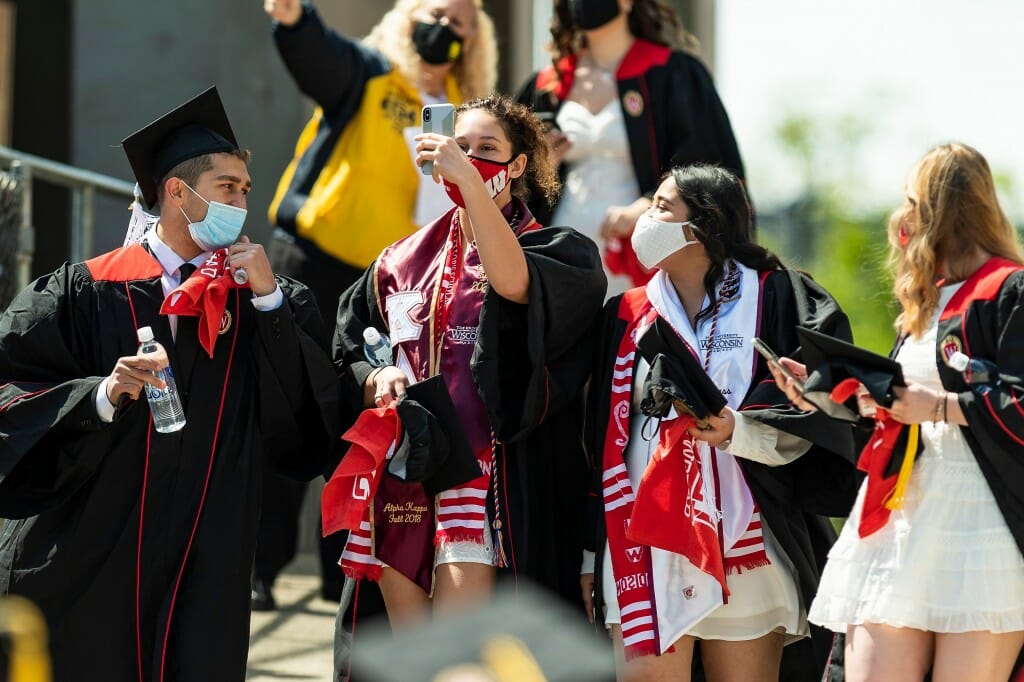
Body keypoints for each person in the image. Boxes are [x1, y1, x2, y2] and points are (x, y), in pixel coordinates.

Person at [0, 87, 341, 681]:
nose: (241, 202)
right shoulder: (87, 291)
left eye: (245, 189)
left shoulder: (262, 298)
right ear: (177, 193)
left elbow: (308, 416)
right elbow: (9, 383)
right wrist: (101, 397)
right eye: (227, 188)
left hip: (211, 552)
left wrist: (269, 300)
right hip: (101, 548)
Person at [331, 96, 607, 628]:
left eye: (487, 149)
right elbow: (350, 348)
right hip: (403, 473)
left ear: (518, 165)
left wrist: (473, 186)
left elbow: (515, 284)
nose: (470, 158)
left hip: (486, 479)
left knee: (459, 650)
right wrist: (376, 376)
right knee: (415, 660)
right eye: (460, 146)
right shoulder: (398, 260)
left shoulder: (556, 248)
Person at [258, 0, 498, 608]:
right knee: (290, 409)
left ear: (476, 42)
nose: (446, 27)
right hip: (316, 262)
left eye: (463, 22)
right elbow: (322, 59)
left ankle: (341, 571)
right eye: (439, 11)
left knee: (369, 420)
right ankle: (262, 566)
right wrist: (295, 20)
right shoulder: (370, 74)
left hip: (396, 286)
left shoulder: (469, 119)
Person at [584, 164, 858, 681]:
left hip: (745, 539)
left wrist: (739, 430)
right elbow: (597, 439)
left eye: (662, 206)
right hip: (644, 543)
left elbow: (823, 402)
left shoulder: (777, 296)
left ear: (703, 226)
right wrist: (586, 550)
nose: (646, 217)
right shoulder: (625, 314)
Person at [771, 143, 1024, 682]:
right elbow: (896, 411)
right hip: (900, 512)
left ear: (942, 208)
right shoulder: (925, 303)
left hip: (980, 522)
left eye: (912, 200)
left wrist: (938, 406)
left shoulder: (1008, 290)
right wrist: (824, 393)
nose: (900, 216)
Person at [516, 0, 745, 296]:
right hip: (563, 253)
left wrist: (648, 205)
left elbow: (707, 162)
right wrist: (540, 164)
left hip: (642, 253)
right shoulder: (547, 85)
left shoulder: (672, 74)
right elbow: (509, 172)